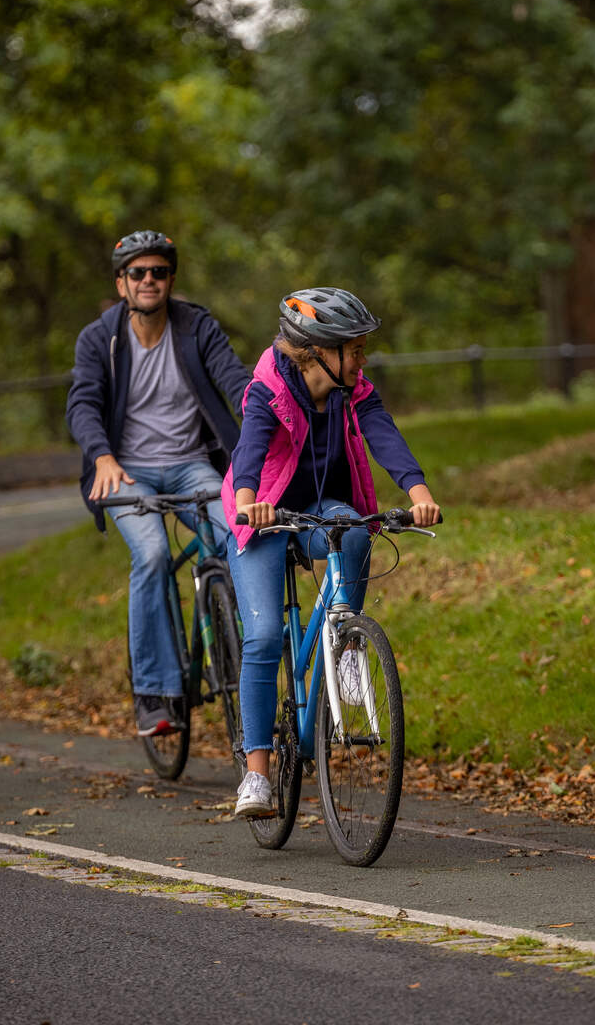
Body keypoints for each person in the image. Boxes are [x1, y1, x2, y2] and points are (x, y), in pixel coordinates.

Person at [223, 287, 442, 818]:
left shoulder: (355, 388)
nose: (363, 359)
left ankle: (345, 643)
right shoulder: (268, 388)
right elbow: (251, 447)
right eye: (355, 348)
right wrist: (250, 503)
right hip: (265, 511)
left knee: (359, 532)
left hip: (323, 508)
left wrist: (419, 495)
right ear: (317, 350)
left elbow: (383, 435)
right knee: (265, 636)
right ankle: (256, 775)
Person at [67, 230, 252, 739]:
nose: (149, 280)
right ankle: (153, 691)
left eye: (159, 272)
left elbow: (233, 379)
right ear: (121, 283)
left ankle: (251, 659)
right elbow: (82, 405)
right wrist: (101, 457)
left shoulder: (197, 327)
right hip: (126, 472)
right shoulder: (98, 339)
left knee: (241, 532)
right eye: (138, 273)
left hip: (195, 464)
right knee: (150, 555)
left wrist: (261, 418)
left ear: (171, 279)